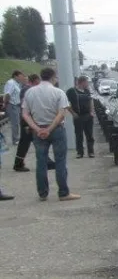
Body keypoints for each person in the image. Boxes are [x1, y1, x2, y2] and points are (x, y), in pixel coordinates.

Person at [22, 67, 81, 202]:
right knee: (60, 161)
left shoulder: (30, 92)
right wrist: (49, 128)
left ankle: (43, 193)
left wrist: (37, 129)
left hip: (38, 131)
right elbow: (61, 113)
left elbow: (25, 114)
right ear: (53, 77)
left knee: (41, 162)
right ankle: (63, 193)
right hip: (56, 130)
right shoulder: (58, 92)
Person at [13, 74, 56, 172]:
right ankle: (18, 164)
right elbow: (27, 106)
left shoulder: (27, 89)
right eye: (38, 81)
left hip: (28, 119)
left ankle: (46, 161)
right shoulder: (28, 90)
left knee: (31, 141)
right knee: (27, 142)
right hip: (28, 120)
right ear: (35, 80)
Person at [67, 75, 96, 158]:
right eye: (87, 82)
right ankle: (80, 152)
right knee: (79, 135)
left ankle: (91, 152)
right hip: (78, 116)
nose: (88, 84)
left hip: (88, 116)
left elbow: (91, 100)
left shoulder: (87, 90)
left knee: (89, 135)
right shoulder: (71, 91)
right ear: (82, 82)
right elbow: (66, 103)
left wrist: (91, 112)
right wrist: (73, 113)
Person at [3, 70, 26, 146]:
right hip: (12, 105)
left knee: (17, 123)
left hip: (17, 105)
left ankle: (17, 138)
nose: (21, 78)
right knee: (15, 123)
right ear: (15, 76)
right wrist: (5, 104)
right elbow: (7, 94)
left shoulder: (17, 83)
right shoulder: (11, 83)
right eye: (20, 76)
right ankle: (15, 140)